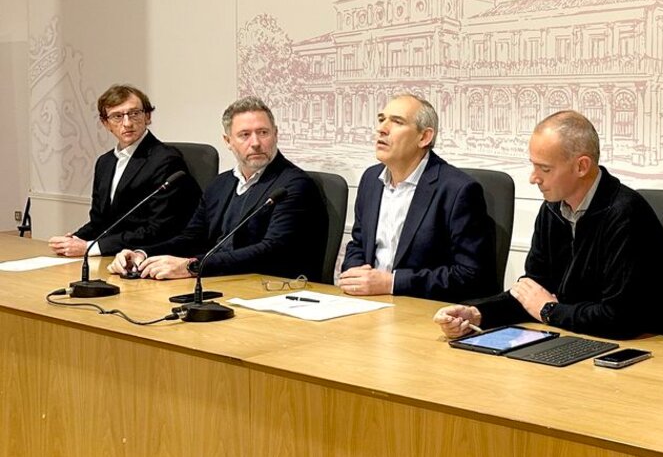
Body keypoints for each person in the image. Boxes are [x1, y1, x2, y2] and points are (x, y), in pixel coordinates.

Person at [433, 110, 663, 340]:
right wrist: (477, 314)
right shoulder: (552, 209)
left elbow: (619, 319)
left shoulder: (626, 214)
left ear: (581, 166)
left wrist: (549, 310)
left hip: (652, 349)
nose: (534, 178)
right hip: (578, 338)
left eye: (544, 169)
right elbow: (532, 293)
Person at [108, 96, 326, 281]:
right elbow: (191, 237)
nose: (256, 142)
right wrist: (142, 254)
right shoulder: (221, 184)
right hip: (221, 283)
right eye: (245, 135)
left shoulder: (293, 185)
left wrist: (192, 267)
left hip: (269, 290)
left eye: (263, 133)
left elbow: (271, 251)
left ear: (276, 134)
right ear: (228, 141)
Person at [337, 93, 496, 300]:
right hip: (368, 302)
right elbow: (358, 244)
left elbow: (470, 275)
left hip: (423, 308)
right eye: (381, 119)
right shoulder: (370, 179)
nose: (382, 128)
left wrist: (392, 283)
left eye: (396, 121)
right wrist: (356, 275)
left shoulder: (458, 190)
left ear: (424, 137)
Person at [49, 85, 199, 258]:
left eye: (134, 113)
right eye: (117, 117)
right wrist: (74, 239)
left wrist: (91, 247)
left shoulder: (166, 160)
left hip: (153, 256)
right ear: (106, 124)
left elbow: (160, 228)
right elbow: (100, 222)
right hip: (115, 254)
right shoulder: (104, 163)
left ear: (147, 116)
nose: (127, 123)